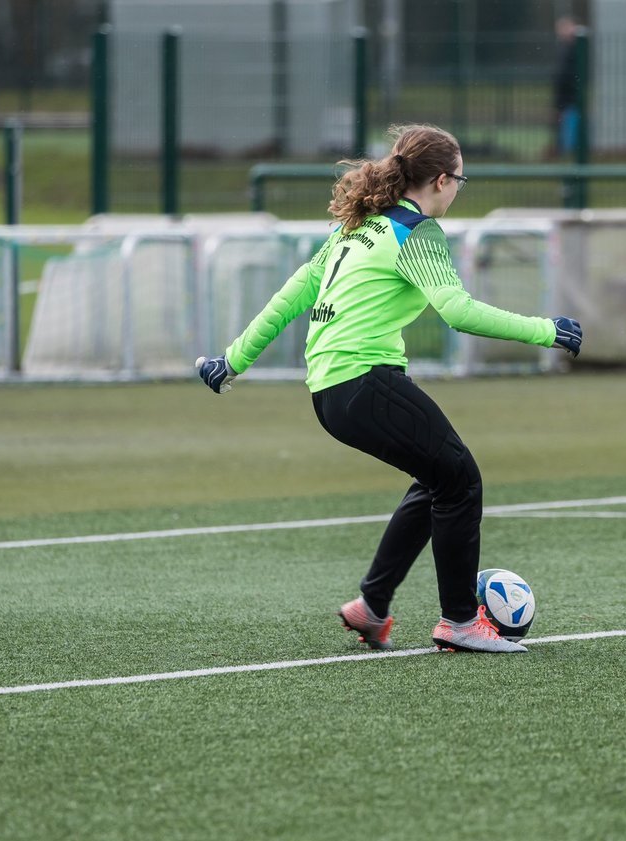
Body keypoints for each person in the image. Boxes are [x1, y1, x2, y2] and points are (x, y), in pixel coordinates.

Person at [194, 124, 584, 654]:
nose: (457, 191)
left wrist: (231, 361)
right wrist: (547, 330)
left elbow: (291, 297)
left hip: (330, 393)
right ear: (442, 180)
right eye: (460, 181)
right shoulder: (416, 233)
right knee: (461, 479)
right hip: (364, 380)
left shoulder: (354, 230)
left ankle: (372, 606)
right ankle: (461, 622)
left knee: (437, 477)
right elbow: (458, 312)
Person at [552, 16, 581, 158]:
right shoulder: (567, 49)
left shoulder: (571, 49)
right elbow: (562, 76)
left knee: (570, 127)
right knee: (567, 127)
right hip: (568, 97)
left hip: (570, 97)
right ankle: (568, 153)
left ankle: (569, 153)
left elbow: (564, 76)